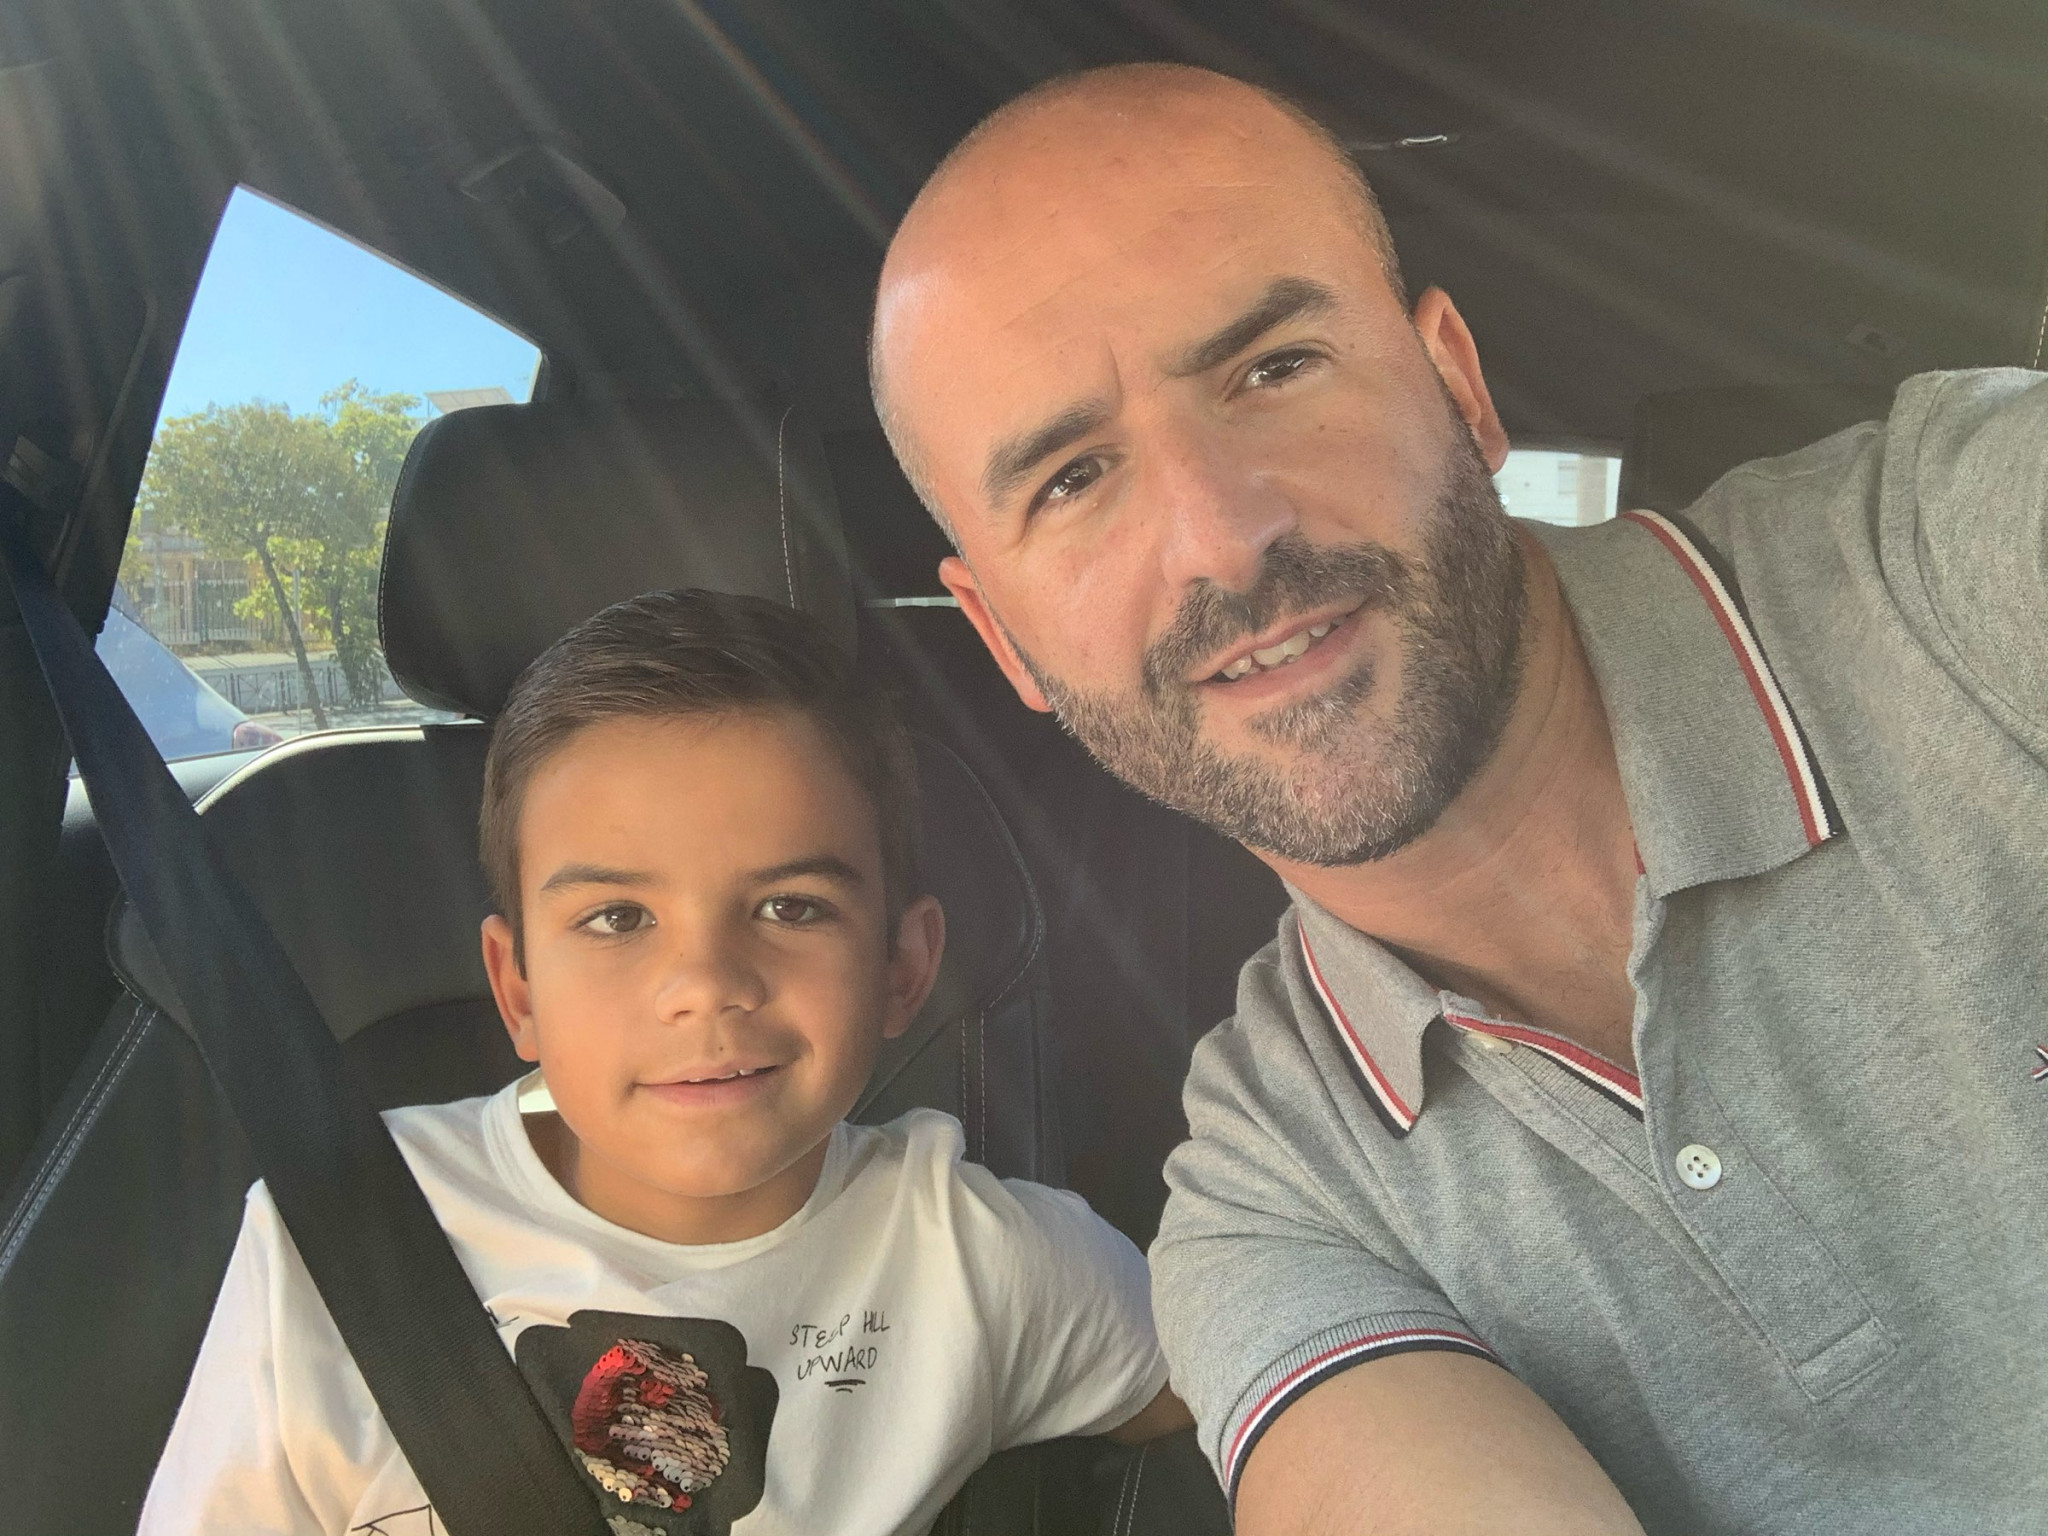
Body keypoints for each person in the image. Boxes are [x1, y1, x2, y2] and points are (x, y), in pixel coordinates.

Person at [867, 60, 2048, 1536]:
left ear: (1459, 387)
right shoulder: (1274, 1194)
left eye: (1272, 370)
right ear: (1003, 641)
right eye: (1070, 479)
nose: (1222, 541)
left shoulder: (1954, 565)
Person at [140, 588, 1187, 1536]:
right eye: (617, 917)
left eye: (790, 907)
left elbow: (1229, 1389)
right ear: (517, 990)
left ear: (901, 968)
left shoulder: (977, 1261)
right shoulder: (344, 1233)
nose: (705, 983)